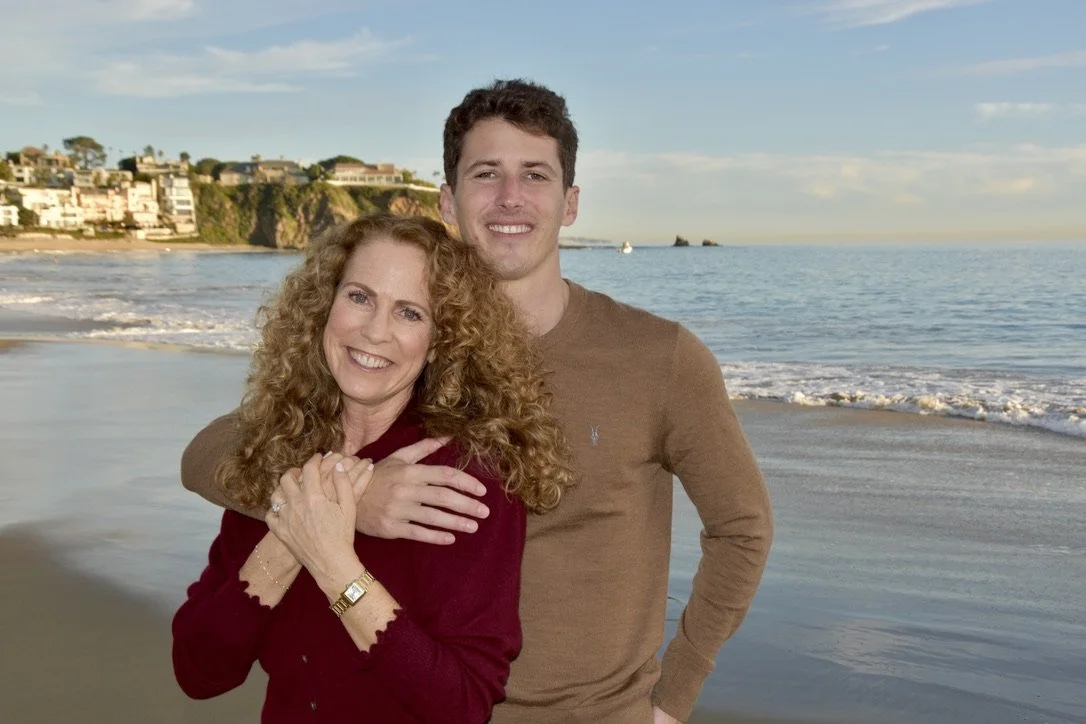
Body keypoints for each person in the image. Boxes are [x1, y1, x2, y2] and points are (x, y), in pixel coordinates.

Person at [182, 80, 773, 723]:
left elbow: (743, 527)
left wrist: (674, 697)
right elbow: (207, 455)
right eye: (485, 174)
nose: (510, 198)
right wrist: (356, 496)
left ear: (570, 202)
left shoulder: (659, 358)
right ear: (449, 200)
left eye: (536, 175)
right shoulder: (404, 353)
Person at [172, 213, 574, 722]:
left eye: (410, 313)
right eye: (359, 297)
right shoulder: (282, 448)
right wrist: (297, 527)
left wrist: (337, 569)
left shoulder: (463, 479)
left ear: (442, 340)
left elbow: (462, 704)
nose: (374, 331)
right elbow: (199, 671)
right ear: (325, 305)